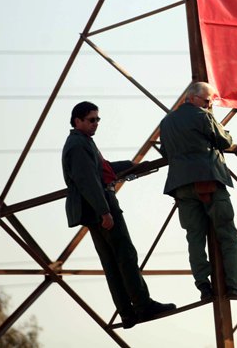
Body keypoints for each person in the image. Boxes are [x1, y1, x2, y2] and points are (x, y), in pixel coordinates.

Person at [61, 101, 175, 329]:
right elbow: (88, 180)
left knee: (112, 263)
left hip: (94, 209)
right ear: (78, 121)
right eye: (91, 120)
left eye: (97, 120)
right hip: (101, 207)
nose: (96, 124)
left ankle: (127, 313)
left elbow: (102, 169)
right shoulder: (78, 145)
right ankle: (143, 305)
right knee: (125, 256)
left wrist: (133, 166)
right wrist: (105, 211)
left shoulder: (82, 143)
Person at [159, 82, 237, 299]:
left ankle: (203, 285)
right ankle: (233, 285)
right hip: (208, 181)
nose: (209, 104)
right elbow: (224, 141)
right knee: (227, 234)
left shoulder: (167, 122)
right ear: (192, 98)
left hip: (181, 187)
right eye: (207, 100)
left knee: (194, 238)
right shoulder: (203, 116)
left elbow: (165, 152)